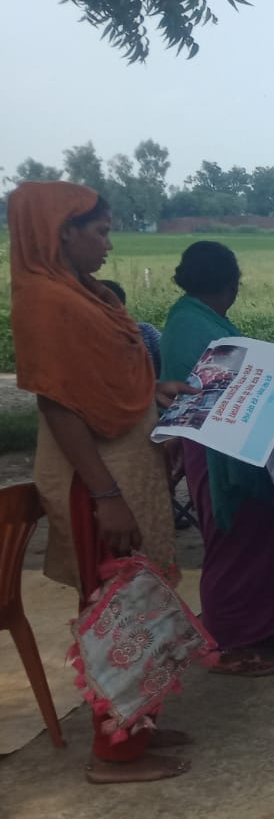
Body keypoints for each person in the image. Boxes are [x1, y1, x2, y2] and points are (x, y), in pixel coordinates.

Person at [8, 182, 200, 783]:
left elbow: (102, 384)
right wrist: (106, 497)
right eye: (100, 232)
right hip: (96, 481)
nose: (108, 245)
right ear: (62, 231)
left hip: (124, 469)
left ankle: (134, 723)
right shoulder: (46, 302)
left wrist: (154, 392)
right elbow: (61, 406)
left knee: (139, 602)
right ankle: (113, 754)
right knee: (114, 607)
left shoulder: (86, 295)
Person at [161, 241, 274, 676]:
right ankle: (225, 641)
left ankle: (266, 624)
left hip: (236, 447)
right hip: (217, 454)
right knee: (233, 547)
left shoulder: (199, 319)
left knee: (263, 540)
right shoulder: (191, 324)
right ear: (232, 284)